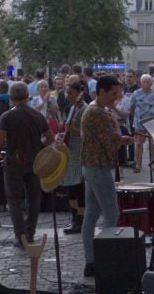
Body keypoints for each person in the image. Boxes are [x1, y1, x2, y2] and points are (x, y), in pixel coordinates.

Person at [80, 76, 134, 277]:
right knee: (112, 213)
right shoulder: (97, 112)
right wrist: (121, 140)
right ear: (101, 91)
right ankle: (105, 260)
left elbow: (110, 138)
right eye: (113, 94)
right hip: (99, 167)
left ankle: (92, 261)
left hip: (91, 166)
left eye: (118, 95)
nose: (116, 99)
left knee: (92, 214)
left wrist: (119, 138)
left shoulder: (97, 110)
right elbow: (110, 141)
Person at [0, 82, 54, 249]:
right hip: (35, 161)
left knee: (13, 200)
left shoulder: (7, 116)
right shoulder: (37, 115)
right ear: (28, 96)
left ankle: (20, 236)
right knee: (34, 198)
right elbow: (49, 138)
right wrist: (39, 143)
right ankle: (30, 233)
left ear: (12, 98)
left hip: (14, 161)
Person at [60, 81, 87, 234]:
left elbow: (86, 133)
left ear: (79, 93)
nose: (68, 96)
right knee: (71, 187)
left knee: (78, 187)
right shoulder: (72, 108)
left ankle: (80, 220)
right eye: (67, 93)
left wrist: (72, 129)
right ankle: (75, 217)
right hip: (70, 151)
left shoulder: (84, 109)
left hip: (79, 151)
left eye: (70, 93)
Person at [130, 74, 154, 173]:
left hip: (153, 122)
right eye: (144, 82)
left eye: (148, 81)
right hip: (139, 122)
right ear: (140, 83)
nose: (146, 83)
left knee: (153, 143)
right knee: (139, 144)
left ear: (151, 83)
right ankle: (138, 165)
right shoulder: (136, 93)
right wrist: (136, 116)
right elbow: (132, 107)